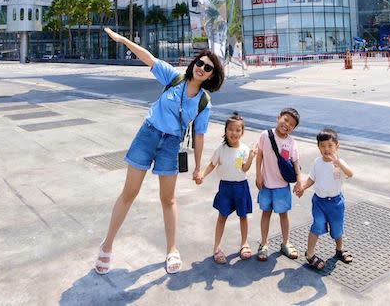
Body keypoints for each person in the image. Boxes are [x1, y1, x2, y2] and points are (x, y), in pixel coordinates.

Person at [95, 26, 225, 275]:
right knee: (128, 194)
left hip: (171, 145)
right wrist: (123, 40)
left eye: (208, 67)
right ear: (194, 63)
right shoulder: (173, 77)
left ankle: (172, 249)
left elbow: (199, 136)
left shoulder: (204, 102)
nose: (202, 68)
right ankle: (107, 245)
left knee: (168, 199)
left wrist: (198, 166)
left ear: (211, 75)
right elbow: (149, 58)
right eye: (200, 62)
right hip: (147, 135)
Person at [195, 112, 257, 263]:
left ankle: (244, 244)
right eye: (231, 129)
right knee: (222, 216)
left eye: (238, 130)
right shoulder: (221, 149)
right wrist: (202, 174)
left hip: (241, 187)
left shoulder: (244, 149)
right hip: (225, 188)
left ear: (242, 132)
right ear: (225, 130)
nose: (234, 133)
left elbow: (244, 169)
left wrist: (251, 156)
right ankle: (217, 247)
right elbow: (212, 164)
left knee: (243, 216)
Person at [295, 128, 354, 269]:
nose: (326, 149)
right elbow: (312, 179)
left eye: (330, 145)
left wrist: (338, 163)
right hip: (319, 202)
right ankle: (309, 254)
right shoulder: (317, 162)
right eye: (322, 146)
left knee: (337, 227)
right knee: (317, 225)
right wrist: (303, 187)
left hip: (336, 203)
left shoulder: (340, 163)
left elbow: (350, 173)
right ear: (318, 147)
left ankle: (339, 250)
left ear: (337, 146)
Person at [255, 107, 303, 261]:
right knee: (266, 213)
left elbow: (295, 162)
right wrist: (258, 175)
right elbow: (260, 155)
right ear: (278, 118)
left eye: (292, 124)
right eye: (286, 120)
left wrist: (299, 179)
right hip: (266, 184)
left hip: (282, 186)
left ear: (294, 129)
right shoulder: (265, 135)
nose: (287, 125)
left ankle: (285, 243)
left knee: (284, 214)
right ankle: (264, 243)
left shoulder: (291, 142)